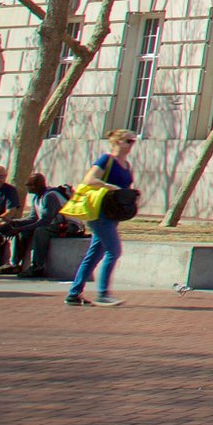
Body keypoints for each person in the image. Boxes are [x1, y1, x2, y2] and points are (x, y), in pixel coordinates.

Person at [65, 129, 137, 307]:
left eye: (133, 141)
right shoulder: (106, 160)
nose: (131, 145)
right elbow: (89, 180)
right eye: (128, 141)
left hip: (114, 213)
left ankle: (74, 294)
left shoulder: (126, 165)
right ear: (117, 142)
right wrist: (109, 186)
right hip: (100, 212)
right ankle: (103, 294)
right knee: (114, 251)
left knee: (95, 254)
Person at [0, 175, 69, 277]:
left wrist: (19, 228)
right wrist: (13, 223)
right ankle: (14, 265)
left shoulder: (50, 196)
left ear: (36, 186)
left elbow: (45, 221)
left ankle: (37, 267)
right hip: (54, 224)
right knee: (19, 228)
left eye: (29, 185)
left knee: (40, 231)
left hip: (69, 226)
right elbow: (32, 218)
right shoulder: (37, 198)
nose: (27, 187)